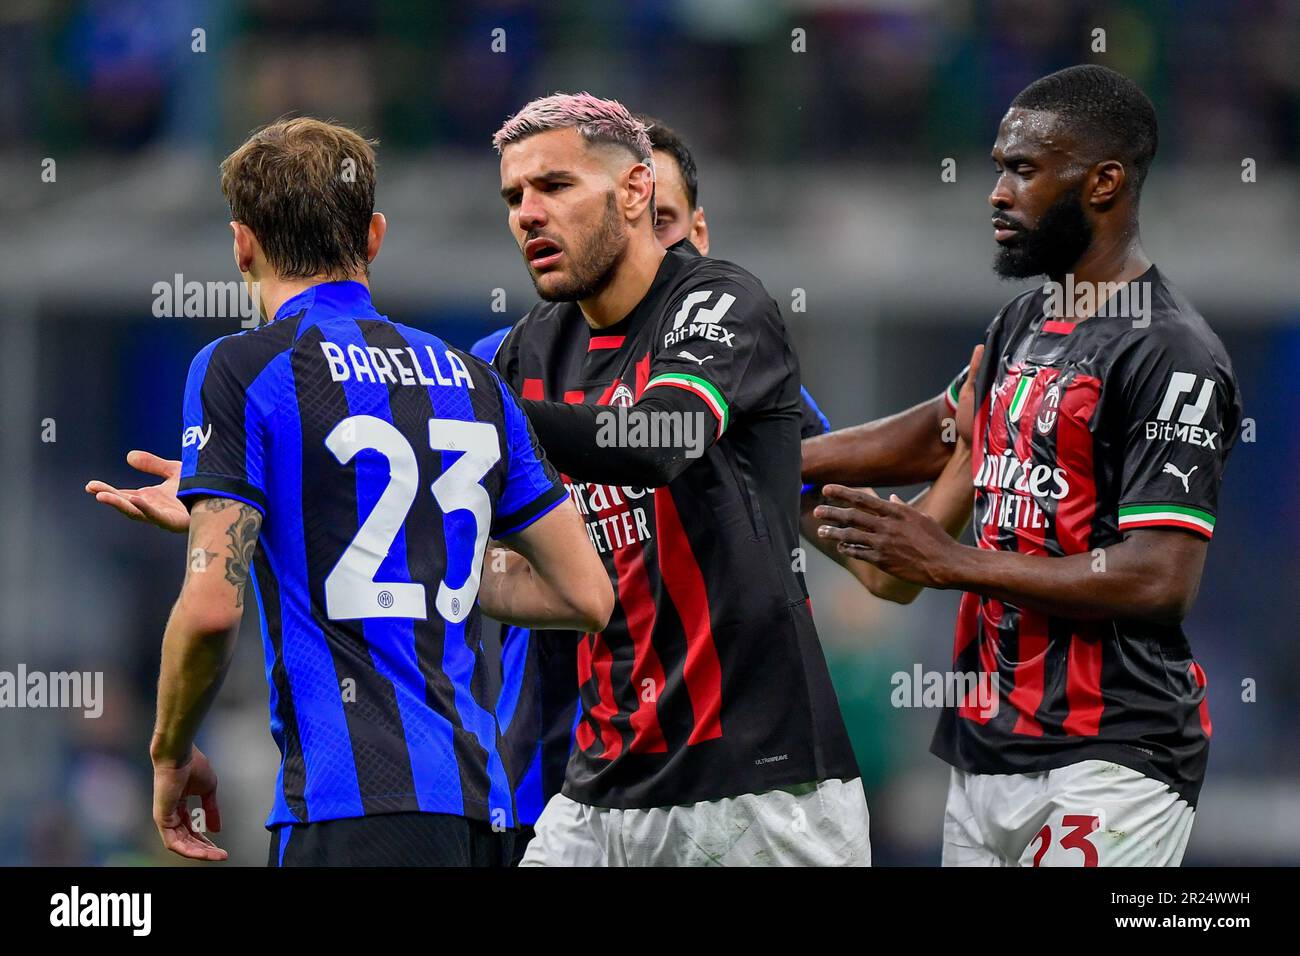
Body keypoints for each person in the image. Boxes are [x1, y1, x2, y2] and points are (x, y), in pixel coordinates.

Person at [88, 117, 612, 866]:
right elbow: (586, 595)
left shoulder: (239, 368)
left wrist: (170, 752)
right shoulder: (478, 383)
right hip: (482, 815)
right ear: (372, 236)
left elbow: (208, 614)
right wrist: (423, 554)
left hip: (350, 812)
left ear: (243, 244)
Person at [814, 65, 1241, 866]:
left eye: (1024, 169)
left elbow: (1159, 578)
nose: (997, 193)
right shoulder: (1027, 318)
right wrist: (764, 451)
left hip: (1112, 753)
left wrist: (952, 560)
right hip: (985, 749)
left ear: (1104, 183)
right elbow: (944, 430)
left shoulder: (1171, 351)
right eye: (997, 168)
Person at [486, 92, 869, 866]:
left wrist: (484, 418)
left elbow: (664, 438)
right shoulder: (529, 351)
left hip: (759, 790)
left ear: (635, 192)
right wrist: (260, 506)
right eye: (514, 196)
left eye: (555, 186)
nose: (528, 213)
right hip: (597, 787)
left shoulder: (721, 303)